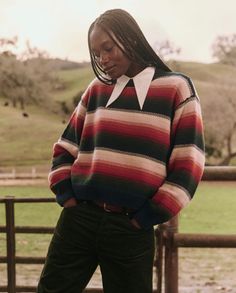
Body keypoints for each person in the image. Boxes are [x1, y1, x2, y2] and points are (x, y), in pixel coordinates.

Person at [37, 8, 205, 293]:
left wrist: (147, 217)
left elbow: (189, 165)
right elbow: (65, 148)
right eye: (96, 53)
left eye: (108, 48)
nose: (102, 59)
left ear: (131, 38)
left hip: (132, 227)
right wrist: (68, 197)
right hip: (79, 220)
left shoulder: (176, 88)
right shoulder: (96, 90)